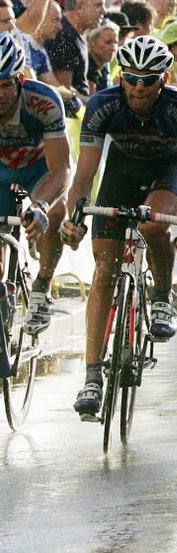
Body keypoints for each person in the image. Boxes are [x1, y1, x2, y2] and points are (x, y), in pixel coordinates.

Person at [59, 36, 177, 420]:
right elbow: (84, 173)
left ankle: (160, 297)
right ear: (121, 77)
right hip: (119, 177)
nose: (139, 87)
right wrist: (74, 219)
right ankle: (91, 376)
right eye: (132, 78)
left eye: (149, 79)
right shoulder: (103, 104)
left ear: (164, 78)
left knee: (154, 225)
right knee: (104, 271)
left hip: (165, 176)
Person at [0, 32, 69, 335]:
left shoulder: (43, 100)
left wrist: (40, 205)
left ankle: (42, 285)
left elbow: (62, 169)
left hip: (39, 170)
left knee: (56, 211)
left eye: (5, 85)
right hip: (1, 174)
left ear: (20, 79)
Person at [44, 0, 106, 104]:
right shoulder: (64, 36)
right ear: (80, 6)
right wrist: (94, 103)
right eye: (98, 5)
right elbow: (64, 92)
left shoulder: (77, 33)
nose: (104, 11)